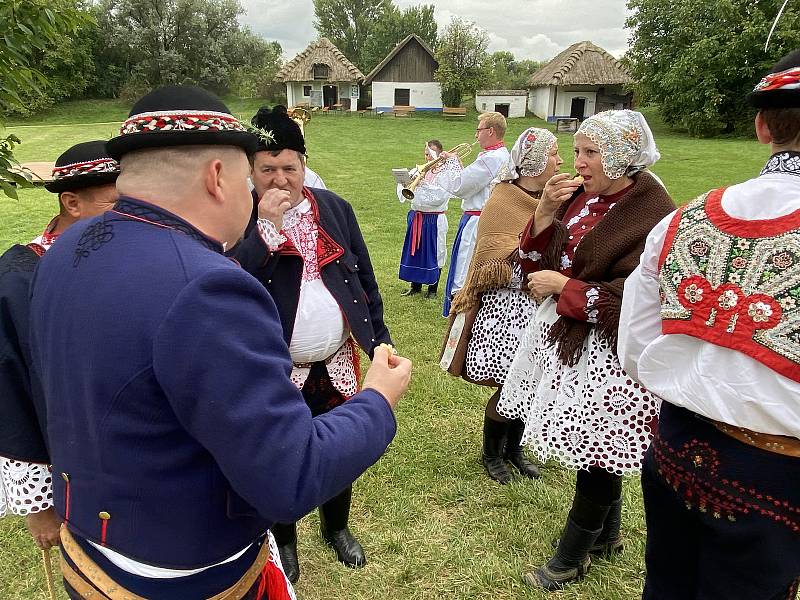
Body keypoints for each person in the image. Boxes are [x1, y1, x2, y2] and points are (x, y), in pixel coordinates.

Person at [29, 85, 411, 599]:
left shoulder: (66, 244)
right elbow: (289, 476)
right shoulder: (208, 285)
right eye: (248, 174)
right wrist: (378, 400)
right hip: (185, 572)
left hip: (93, 549)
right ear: (217, 177)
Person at [619, 49, 800, 600]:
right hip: (776, 469)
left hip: (677, 442)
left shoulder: (683, 219)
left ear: (761, 125)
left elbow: (636, 346)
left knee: (667, 584)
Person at [497, 110, 675, 590]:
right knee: (599, 447)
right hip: (570, 337)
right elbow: (533, 262)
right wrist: (545, 215)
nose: (578, 164)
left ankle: (571, 556)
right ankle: (607, 536)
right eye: (576, 151)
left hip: (613, 348)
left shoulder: (653, 212)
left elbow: (641, 298)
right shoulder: (575, 199)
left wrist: (566, 287)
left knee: (599, 450)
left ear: (622, 156)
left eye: (591, 153)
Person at [231, 105, 394, 584]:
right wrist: (264, 228)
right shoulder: (237, 218)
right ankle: (285, 538)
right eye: (267, 169)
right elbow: (233, 278)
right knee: (284, 454)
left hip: (337, 358)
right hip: (279, 366)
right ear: (251, 171)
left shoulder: (334, 207)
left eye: (289, 167)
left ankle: (337, 525)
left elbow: (363, 276)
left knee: (340, 444)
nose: (280, 179)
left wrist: (379, 337)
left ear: (304, 165)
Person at [0, 141, 119, 551]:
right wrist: (38, 505)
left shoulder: (128, 255)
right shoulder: (19, 279)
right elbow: (10, 390)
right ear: (71, 202)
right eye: (115, 202)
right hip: (71, 463)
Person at [441, 128, 562, 484]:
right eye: (554, 153)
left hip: (539, 308)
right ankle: (492, 454)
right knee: (509, 384)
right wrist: (532, 268)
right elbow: (492, 259)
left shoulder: (556, 199)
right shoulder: (504, 197)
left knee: (530, 380)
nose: (560, 160)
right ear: (536, 160)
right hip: (507, 309)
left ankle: (515, 449)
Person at [440, 111, 513, 316]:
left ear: (490, 131)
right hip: (480, 217)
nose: (476, 135)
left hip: (477, 222)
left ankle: (462, 310)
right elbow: (473, 182)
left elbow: (460, 186)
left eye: (478, 130)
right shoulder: (497, 155)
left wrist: (450, 163)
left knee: (465, 268)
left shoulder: (492, 158)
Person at [397, 140, 459, 298]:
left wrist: (423, 185)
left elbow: (440, 196)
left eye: (430, 154)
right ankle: (415, 286)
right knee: (415, 250)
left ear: (439, 154)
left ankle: (432, 289)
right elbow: (405, 191)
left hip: (434, 218)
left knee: (435, 251)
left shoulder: (445, 173)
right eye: (425, 154)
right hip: (417, 216)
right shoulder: (418, 170)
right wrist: (407, 182)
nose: (427, 157)